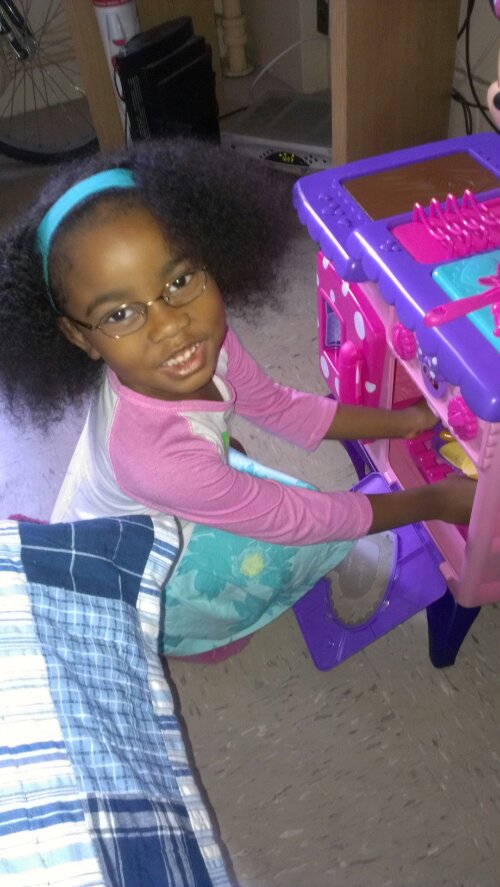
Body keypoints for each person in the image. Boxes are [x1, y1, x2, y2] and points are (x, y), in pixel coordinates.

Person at [0, 137, 475, 657]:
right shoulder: (159, 460)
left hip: (168, 490)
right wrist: (432, 501)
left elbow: (278, 407)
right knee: (283, 556)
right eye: (119, 314)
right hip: (138, 564)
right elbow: (301, 518)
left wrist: (404, 423)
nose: (171, 326)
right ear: (79, 337)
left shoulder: (208, 341)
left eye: (180, 279)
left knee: (237, 476)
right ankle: (184, 634)